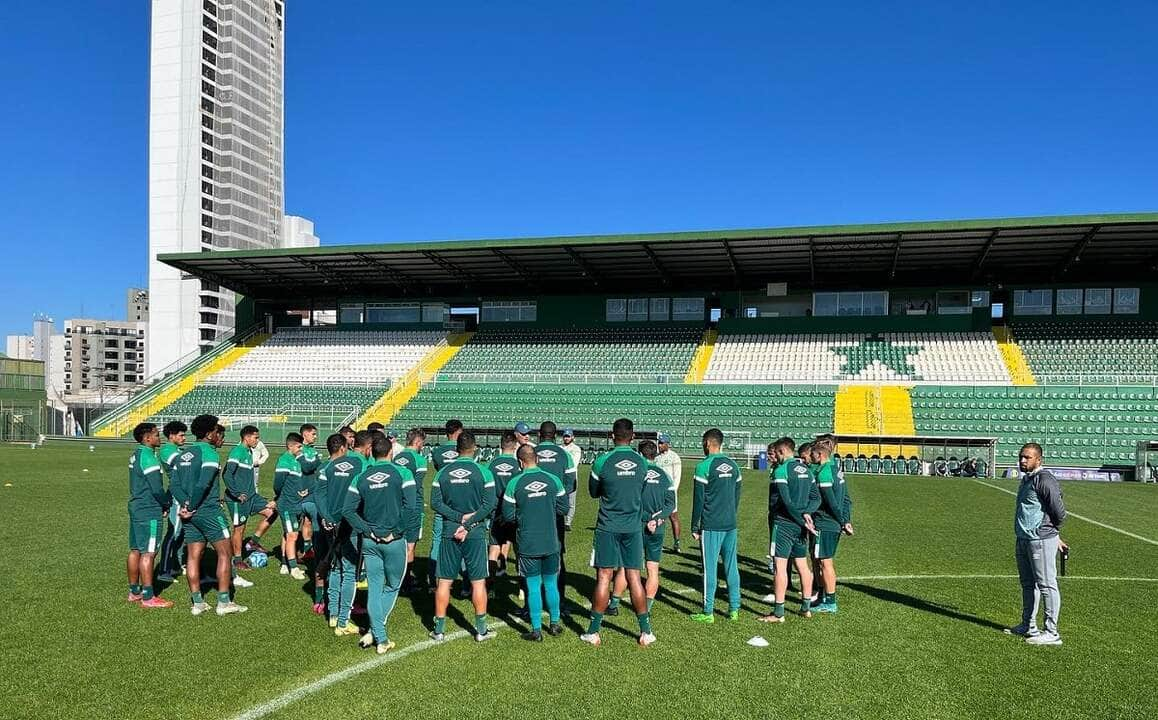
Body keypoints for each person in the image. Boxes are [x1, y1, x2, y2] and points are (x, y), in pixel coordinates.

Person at [581, 418, 655, 647]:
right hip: (632, 527)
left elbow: (593, 492)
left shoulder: (602, 461)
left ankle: (593, 632)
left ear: (612, 436)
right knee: (634, 577)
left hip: (607, 526)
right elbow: (642, 489)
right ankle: (646, 632)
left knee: (604, 576)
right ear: (632, 437)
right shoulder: (642, 463)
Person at [342, 433, 416, 654]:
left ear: (371, 453)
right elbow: (411, 508)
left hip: (370, 541)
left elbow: (348, 510)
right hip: (394, 540)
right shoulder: (403, 473)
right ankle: (380, 635)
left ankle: (376, 633)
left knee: (374, 588)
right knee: (392, 586)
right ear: (391, 453)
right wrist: (395, 532)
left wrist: (368, 530)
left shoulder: (361, 476)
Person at [169, 414, 246, 616]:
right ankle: (224, 602)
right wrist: (193, 505)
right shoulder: (209, 454)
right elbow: (203, 484)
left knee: (193, 556)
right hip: (208, 510)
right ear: (209, 433)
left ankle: (197, 603)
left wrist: (185, 506)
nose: (220, 435)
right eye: (217, 431)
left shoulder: (182, 455)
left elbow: (174, 485)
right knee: (225, 553)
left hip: (188, 513)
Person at [429, 430, 499, 642]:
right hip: (475, 532)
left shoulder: (443, 472)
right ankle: (481, 630)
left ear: (456, 449)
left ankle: (439, 630)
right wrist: (468, 522)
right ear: (475, 448)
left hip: (450, 530)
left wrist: (457, 518)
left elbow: (435, 503)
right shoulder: (484, 471)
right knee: (478, 582)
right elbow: (490, 504)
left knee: (444, 582)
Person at [502, 444, 569, 641]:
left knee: (532, 586)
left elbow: (507, 515)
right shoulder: (553, 480)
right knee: (550, 583)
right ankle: (555, 624)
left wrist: (524, 516)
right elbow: (564, 508)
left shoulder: (515, 483)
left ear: (520, 462)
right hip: (550, 540)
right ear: (537, 459)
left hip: (528, 542)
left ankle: (536, 630)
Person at [1007, 443, 1067, 646]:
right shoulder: (1027, 479)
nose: (1023, 461)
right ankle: (1028, 625)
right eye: (1021, 457)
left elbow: (1058, 511)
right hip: (1024, 538)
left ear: (1038, 460)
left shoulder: (1044, 479)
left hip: (1040, 539)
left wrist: (1053, 533)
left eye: (1027, 458)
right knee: (1027, 584)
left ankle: (1052, 632)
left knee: (1047, 584)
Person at [608, 440, 675, 617]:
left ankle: (614, 604)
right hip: (657, 528)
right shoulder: (664, 475)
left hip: (635, 526)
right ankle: (646, 608)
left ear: (639, 454)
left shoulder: (636, 473)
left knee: (625, 567)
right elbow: (671, 504)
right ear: (656, 455)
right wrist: (658, 518)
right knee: (652, 569)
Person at [318, 430, 372, 635]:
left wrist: (326, 517)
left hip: (332, 523)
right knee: (350, 572)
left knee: (335, 567)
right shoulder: (363, 465)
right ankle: (343, 621)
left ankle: (332, 614)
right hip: (350, 523)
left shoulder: (330, 465)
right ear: (367, 448)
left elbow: (319, 493)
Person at [760, 437, 816, 623]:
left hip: (784, 524)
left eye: (775, 452)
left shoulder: (782, 471)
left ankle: (778, 613)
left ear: (783, 451)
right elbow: (816, 498)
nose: (774, 455)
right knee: (802, 566)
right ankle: (806, 608)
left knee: (780, 568)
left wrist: (800, 519)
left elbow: (786, 501)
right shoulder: (807, 471)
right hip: (801, 526)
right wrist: (807, 514)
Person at [690, 429, 743, 623]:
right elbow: (737, 495)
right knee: (731, 567)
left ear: (706, 443)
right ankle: (734, 609)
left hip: (712, 524)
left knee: (709, 569)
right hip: (731, 524)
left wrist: (695, 526)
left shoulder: (703, 467)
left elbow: (699, 500)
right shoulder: (734, 465)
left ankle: (708, 612)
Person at [126, 422, 174, 608]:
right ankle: (148, 596)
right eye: (155, 434)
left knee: (135, 549)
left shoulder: (136, 454)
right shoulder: (148, 457)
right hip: (148, 508)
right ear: (147, 438)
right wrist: (166, 503)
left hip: (137, 505)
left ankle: (134, 591)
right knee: (149, 552)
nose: (158, 437)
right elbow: (156, 488)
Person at [222, 425, 276, 588]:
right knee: (239, 528)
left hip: (252, 496)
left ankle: (253, 542)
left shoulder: (249, 452)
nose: (257, 440)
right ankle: (237, 560)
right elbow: (227, 474)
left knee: (272, 512)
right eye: (255, 437)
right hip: (238, 499)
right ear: (246, 437)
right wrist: (237, 493)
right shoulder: (237, 452)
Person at [534, 421, 578, 616]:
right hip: (555, 514)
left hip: (532, 514)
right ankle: (559, 601)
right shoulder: (565, 455)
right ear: (556, 435)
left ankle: (530, 604)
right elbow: (571, 485)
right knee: (557, 555)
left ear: (539, 434)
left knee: (529, 557)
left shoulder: (530, 453)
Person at [809, 436, 853, 613]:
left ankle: (830, 601)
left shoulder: (825, 473)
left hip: (825, 523)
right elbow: (846, 500)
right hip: (831, 523)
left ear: (820, 455)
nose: (810, 457)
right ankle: (823, 597)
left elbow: (832, 503)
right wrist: (846, 520)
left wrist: (843, 521)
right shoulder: (836, 470)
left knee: (826, 562)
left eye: (812, 454)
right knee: (821, 561)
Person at [427, 419, 464, 589]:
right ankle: (466, 583)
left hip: (442, 500)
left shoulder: (438, 452)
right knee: (464, 539)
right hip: (461, 502)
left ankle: (434, 579)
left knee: (437, 540)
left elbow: (437, 469)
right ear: (458, 431)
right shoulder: (463, 451)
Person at [391, 428, 428, 594]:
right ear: (418, 442)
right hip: (413, 507)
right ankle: (406, 581)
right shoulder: (420, 460)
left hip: (396, 505)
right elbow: (417, 486)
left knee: (397, 541)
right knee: (410, 545)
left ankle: (394, 577)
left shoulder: (396, 457)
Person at [274, 433, 309, 580]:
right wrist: (280, 497)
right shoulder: (284, 461)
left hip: (296, 504)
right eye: (299, 446)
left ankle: (284, 563)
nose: (301, 449)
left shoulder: (296, 461)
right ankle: (293, 567)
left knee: (288, 534)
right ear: (290, 446)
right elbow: (278, 484)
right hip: (287, 505)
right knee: (292, 535)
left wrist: (302, 491)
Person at [156, 420, 188, 583]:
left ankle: (176, 564)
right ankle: (163, 570)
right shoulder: (167, 451)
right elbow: (183, 466)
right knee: (173, 532)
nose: (184, 438)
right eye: (181, 435)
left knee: (181, 532)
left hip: (184, 494)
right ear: (171, 436)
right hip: (176, 496)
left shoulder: (177, 449)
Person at [487, 432, 520, 583]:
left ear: (501, 445)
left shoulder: (491, 464)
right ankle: (522, 587)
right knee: (519, 548)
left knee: (494, 547)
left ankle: (490, 583)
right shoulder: (518, 465)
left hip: (496, 510)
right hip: (513, 511)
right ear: (514, 446)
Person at [655, 433, 683, 552]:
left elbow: (677, 475)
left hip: (670, 492)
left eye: (662, 443)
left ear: (667, 444)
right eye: (659, 443)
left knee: (673, 517)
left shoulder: (674, 457)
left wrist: (673, 491)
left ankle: (676, 543)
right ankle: (657, 542)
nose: (659, 445)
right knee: (658, 517)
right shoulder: (656, 458)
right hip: (658, 492)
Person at [561, 428, 582, 530]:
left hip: (572, 478)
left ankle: (568, 522)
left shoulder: (576, 449)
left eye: (568, 436)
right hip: (560, 477)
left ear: (573, 437)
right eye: (565, 436)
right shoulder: (559, 448)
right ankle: (559, 520)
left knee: (571, 501)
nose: (566, 438)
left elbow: (574, 463)